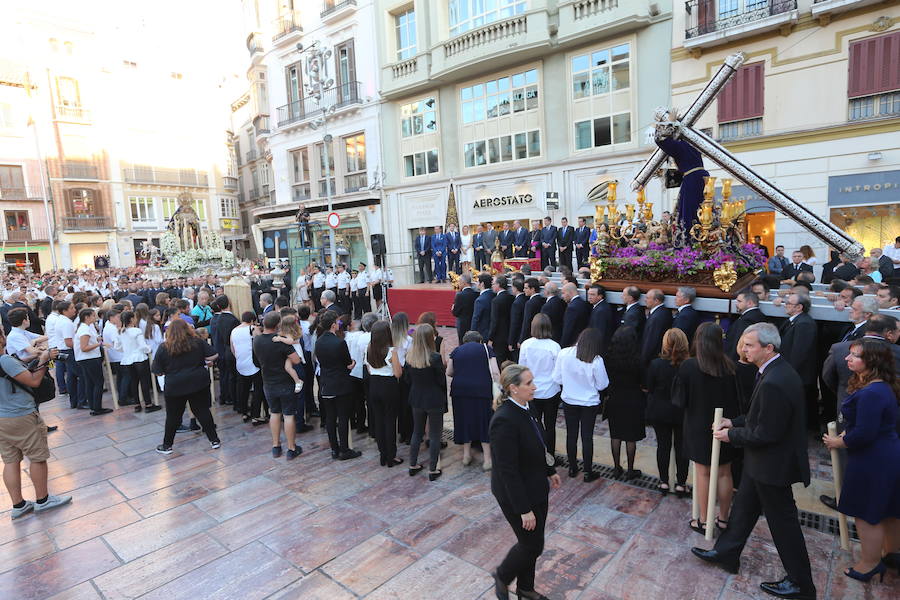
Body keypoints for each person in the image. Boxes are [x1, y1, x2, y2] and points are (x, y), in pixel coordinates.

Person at [692, 323, 815, 600]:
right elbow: (760, 415)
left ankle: (800, 584)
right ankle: (726, 553)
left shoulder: (775, 380)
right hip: (760, 464)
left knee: (783, 524)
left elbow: (766, 432)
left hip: (773, 466)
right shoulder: (772, 371)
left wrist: (731, 435)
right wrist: (733, 421)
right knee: (744, 510)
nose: (743, 349)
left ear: (768, 348)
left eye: (749, 345)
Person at [822, 339, 900, 582]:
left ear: (872, 362)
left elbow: (866, 433)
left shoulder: (872, 393)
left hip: (872, 459)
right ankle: (892, 554)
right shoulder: (881, 387)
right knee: (887, 509)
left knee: (867, 513)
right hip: (885, 453)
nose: (847, 359)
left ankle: (869, 563)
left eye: (854, 356)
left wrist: (839, 442)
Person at [489, 364, 561, 600]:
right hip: (516, 493)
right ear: (513, 388)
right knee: (531, 545)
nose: (534, 387)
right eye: (529, 383)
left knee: (534, 541)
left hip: (536, 485)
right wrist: (523, 509)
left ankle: (525, 589)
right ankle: (502, 575)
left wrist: (550, 469)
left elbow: (537, 442)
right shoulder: (504, 420)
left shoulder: (526, 407)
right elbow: (507, 470)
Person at [679, 322, 741, 534]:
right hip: (724, 424)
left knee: (703, 473)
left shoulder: (689, 366)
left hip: (697, 425)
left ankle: (704, 521)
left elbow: (679, 400)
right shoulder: (730, 367)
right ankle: (723, 518)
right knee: (725, 472)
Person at [0, 333, 71, 518]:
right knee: (37, 456)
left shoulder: (7, 361)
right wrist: (45, 360)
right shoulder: (5, 360)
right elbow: (33, 380)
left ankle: (18, 505)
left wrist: (32, 358)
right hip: (20, 414)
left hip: (2, 418)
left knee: (10, 460)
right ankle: (43, 499)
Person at [151, 319, 220, 453]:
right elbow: (214, 355)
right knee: (203, 411)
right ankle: (214, 440)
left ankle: (167, 445)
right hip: (198, 382)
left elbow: (157, 371)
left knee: (173, 416)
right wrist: (204, 362)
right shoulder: (197, 343)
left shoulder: (164, 347)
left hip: (175, 385)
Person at [553, 328, 609, 482]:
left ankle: (572, 467)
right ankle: (588, 471)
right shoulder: (596, 360)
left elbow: (557, 378)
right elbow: (602, 385)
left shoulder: (564, 353)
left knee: (571, 434)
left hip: (569, 399)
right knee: (587, 437)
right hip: (589, 403)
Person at [645, 329, 690, 497]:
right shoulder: (689, 365)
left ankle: (663, 482)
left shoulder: (656, 364)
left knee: (663, 446)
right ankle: (681, 484)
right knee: (681, 447)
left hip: (660, 410)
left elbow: (649, 386)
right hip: (681, 411)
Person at [253, 312, 304, 459]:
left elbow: (256, 361)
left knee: (274, 413)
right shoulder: (280, 341)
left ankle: (276, 446)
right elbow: (296, 360)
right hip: (285, 382)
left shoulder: (257, 341)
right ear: (277, 326)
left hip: (268, 382)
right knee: (288, 415)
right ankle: (291, 448)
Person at [448, 330, 498, 469]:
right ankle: (487, 460)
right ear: (480, 340)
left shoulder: (456, 350)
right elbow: (495, 372)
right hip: (482, 390)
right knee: (484, 422)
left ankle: (466, 456)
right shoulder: (486, 349)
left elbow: (449, 372)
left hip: (460, 391)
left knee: (465, 421)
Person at [314, 311, 361, 461]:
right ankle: (345, 449)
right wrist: (353, 363)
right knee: (342, 417)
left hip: (326, 382)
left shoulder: (319, 341)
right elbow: (348, 364)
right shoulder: (339, 343)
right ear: (334, 324)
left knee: (330, 417)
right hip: (341, 383)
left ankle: (334, 449)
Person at [404, 323, 446, 480]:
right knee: (435, 435)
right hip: (434, 399)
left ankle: (413, 464)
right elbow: (441, 380)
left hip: (416, 398)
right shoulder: (434, 357)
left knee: (417, 432)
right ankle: (433, 469)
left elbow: (407, 380)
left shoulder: (410, 356)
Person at [604, 326, 645, 479]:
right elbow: (643, 381)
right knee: (630, 437)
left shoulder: (609, 357)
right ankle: (630, 470)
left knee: (615, 434)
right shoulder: (637, 360)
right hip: (633, 399)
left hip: (615, 398)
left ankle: (616, 468)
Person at [519, 314, 561, 461]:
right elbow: (558, 370)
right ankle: (550, 456)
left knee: (534, 424)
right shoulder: (554, 346)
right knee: (550, 426)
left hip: (532, 390)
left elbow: (522, 368)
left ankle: (535, 454)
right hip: (551, 390)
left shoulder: (526, 344)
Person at [365, 320, 403, 467]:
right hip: (388, 386)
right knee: (390, 422)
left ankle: (383, 455)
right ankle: (391, 456)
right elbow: (398, 373)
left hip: (374, 385)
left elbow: (368, 368)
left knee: (379, 421)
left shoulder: (369, 348)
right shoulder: (391, 350)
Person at [779, 293, 819, 430]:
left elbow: (799, 352)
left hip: (800, 374)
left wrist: (787, 373)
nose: (786, 305)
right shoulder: (795, 321)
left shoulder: (804, 324)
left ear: (799, 307)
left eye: (789, 303)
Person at [115, 311, 160, 413]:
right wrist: (149, 349)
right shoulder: (136, 331)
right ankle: (148, 404)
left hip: (128, 359)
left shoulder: (121, 332)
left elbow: (117, 347)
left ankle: (137, 404)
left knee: (134, 382)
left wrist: (127, 350)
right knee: (144, 381)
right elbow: (142, 346)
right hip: (139, 358)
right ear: (131, 319)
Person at [74, 309, 111, 416]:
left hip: (87, 359)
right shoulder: (84, 329)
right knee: (98, 382)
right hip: (89, 359)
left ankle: (94, 406)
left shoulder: (85, 328)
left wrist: (97, 339)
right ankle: (97, 407)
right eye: (93, 316)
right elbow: (84, 347)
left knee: (90, 383)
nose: (95, 317)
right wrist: (99, 344)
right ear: (87, 317)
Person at [231, 311, 266, 424]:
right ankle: (256, 415)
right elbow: (261, 343)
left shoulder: (234, 331)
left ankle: (244, 412)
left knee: (243, 389)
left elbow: (233, 348)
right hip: (253, 363)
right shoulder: (253, 329)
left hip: (240, 363)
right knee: (257, 389)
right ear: (252, 320)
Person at [724, 290, 766, 361]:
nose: (737, 304)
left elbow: (738, 343)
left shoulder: (746, 320)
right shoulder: (758, 316)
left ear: (749, 303)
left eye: (739, 301)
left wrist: (731, 362)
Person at [641, 289, 672, 366]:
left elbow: (651, 340)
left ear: (656, 301)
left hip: (652, 360)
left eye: (648, 298)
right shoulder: (663, 312)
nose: (645, 300)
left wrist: (643, 360)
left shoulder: (657, 317)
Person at [490, 275, 514, 364]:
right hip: (510, 334)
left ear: (498, 285)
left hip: (499, 337)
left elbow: (494, 321)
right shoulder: (511, 297)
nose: (492, 286)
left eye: (493, 284)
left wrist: (490, 337)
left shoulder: (496, 301)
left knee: (499, 362)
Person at [559, 282, 590, 349]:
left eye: (563, 293)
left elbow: (568, 330)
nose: (562, 296)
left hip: (572, 345)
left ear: (570, 292)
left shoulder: (572, 308)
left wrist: (562, 346)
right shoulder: (583, 303)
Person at [451, 273, 478, 345]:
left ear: (464, 283)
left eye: (459, 282)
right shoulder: (476, 293)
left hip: (462, 324)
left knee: (462, 343)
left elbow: (455, 312)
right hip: (472, 322)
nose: (458, 284)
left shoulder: (460, 295)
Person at [519, 278, 546, 345]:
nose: (523, 290)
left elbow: (526, 322)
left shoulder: (529, 303)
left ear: (533, 289)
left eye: (526, 288)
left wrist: (521, 340)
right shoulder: (543, 300)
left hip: (530, 336)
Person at [471, 273, 495, 342]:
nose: (476, 283)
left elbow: (476, 318)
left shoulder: (480, 300)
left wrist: (472, 333)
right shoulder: (494, 295)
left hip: (482, 332)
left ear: (482, 284)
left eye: (478, 282)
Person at [507, 279, 527, 361]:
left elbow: (514, 323)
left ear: (515, 288)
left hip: (517, 338)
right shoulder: (526, 299)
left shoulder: (516, 303)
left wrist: (511, 341)